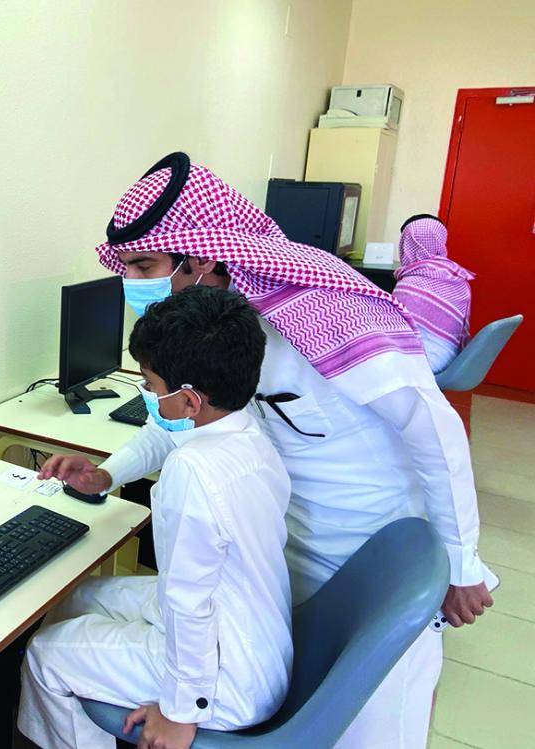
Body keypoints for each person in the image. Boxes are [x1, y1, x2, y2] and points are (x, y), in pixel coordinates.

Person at [52, 153, 493, 748]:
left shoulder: (326, 313)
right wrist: (110, 474)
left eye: (144, 266)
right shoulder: (215, 328)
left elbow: (436, 435)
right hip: (288, 544)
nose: (132, 283)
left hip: (372, 546)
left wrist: (460, 564)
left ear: (200, 258)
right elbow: (184, 418)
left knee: (366, 728)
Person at [18, 286, 292, 749]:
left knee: (46, 655)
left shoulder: (194, 471)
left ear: (190, 402)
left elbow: (189, 601)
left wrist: (181, 711)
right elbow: (163, 437)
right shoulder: (245, 428)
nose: (145, 393)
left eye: (150, 385)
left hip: (229, 678)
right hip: (251, 632)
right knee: (77, 598)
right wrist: (103, 476)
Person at [392, 214, 475, 373]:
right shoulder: (457, 276)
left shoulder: (410, 284)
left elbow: (395, 331)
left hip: (424, 363)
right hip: (451, 357)